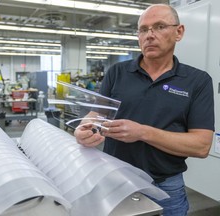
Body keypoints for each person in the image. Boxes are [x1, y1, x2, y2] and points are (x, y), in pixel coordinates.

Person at [74, 4, 214, 216]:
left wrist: (142, 132)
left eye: (159, 26)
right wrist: (83, 128)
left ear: (179, 32)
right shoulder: (117, 72)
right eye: (143, 29)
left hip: (166, 188)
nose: (150, 35)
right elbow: (97, 114)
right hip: (116, 181)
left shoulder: (197, 81)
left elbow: (201, 146)